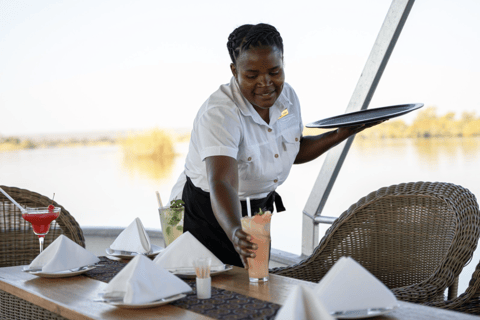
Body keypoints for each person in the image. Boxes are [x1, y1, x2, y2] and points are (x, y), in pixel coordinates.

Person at [169, 23, 379, 269]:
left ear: (283, 64)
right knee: (211, 292)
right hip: (209, 211)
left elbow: (290, 151)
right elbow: (222, 181)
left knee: (256, 286)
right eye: (252, 75)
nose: (265, 82)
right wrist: (235, 230)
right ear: (234, 70)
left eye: (274, 71)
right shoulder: (220, 112)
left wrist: (340, 134)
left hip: (258, 210)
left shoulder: (288, 98)